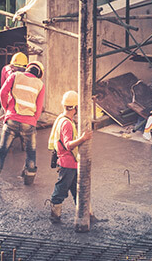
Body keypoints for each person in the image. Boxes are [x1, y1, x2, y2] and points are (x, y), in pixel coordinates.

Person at [0, 61, 46, 188]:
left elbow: (2, 93)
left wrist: (6, 109)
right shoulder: (40, 84)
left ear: (27, 68)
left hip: (11, 120)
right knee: (31, 151)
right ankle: (29, 179)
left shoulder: (15, 76)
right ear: (39, 74)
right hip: (29, 123)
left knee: (2, 151)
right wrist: (33, 121)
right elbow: (39, 107)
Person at [47, 91, 93, 223]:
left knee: (78, 191)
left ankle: (87, 215)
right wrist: (83, 138)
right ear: (75, 107)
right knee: (61, 190)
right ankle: (54, 216)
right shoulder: (66, 123)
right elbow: (68, 145)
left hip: (70, 163)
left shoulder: (61, 119)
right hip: (68, 164)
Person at [0, 52, 28, 134]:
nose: (20, 71)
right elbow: (3, 91)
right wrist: (5, 107)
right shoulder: (10, 73)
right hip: (10, 99)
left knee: (4, 121)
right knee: (1, 121)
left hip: (15, 101)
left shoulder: (9, 71)